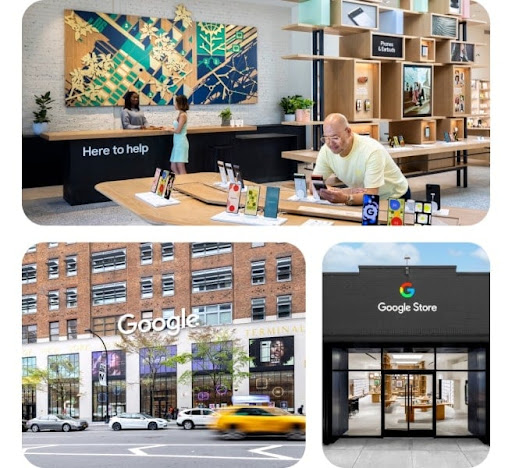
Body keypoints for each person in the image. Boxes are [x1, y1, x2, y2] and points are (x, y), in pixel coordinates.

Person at [311, 113, 409, 205]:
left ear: (348, 132)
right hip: (360, 196)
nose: (330, 143)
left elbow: (371, 195)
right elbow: (314, 184)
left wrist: (345, 198)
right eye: (326, 138)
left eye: (335, 138)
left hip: (393, 196)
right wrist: (343, 191)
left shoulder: (372, 150)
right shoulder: (326, 151)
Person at [169, 94, 189, 174]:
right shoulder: (180, 114)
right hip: (177, 143)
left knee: (181, 167)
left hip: (181, 143)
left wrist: (169, 130)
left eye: (175, 102)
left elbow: (178, 131)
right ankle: (179, 182)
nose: (174, 104)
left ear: (180, 104)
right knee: (173, 167)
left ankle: (185, 184)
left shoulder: (183, 115)